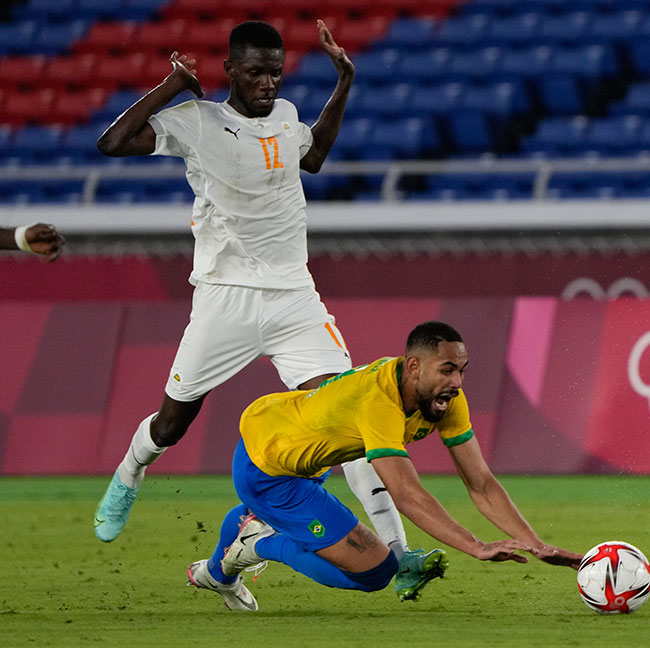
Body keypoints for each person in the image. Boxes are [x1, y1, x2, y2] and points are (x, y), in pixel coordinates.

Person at [92, 20, 427, 598]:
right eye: (255, 72)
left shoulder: (287, 113)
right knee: (173, 422)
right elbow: (112, 144)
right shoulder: (198, 123)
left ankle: (398, 552)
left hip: (294, 298)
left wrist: (343, 82)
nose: (268, 82)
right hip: (225, 296)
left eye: (275, 71)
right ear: (229, 71)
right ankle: (130, 471)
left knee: (352, 413)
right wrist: (174, 85)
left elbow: (315, 156)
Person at [186, 321, 582, 610]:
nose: (458, 382)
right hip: (269, 471)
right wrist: (475, 546)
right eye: (447, 370)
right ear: (413, 367)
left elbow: (481, 484)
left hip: (301, 449)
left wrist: (537, 545)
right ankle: (259, 542)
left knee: (356, 551)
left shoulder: (445, 400)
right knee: (375, 571)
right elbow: (406, 494)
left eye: (461, 370)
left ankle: (226, 563)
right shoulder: (379, 403)